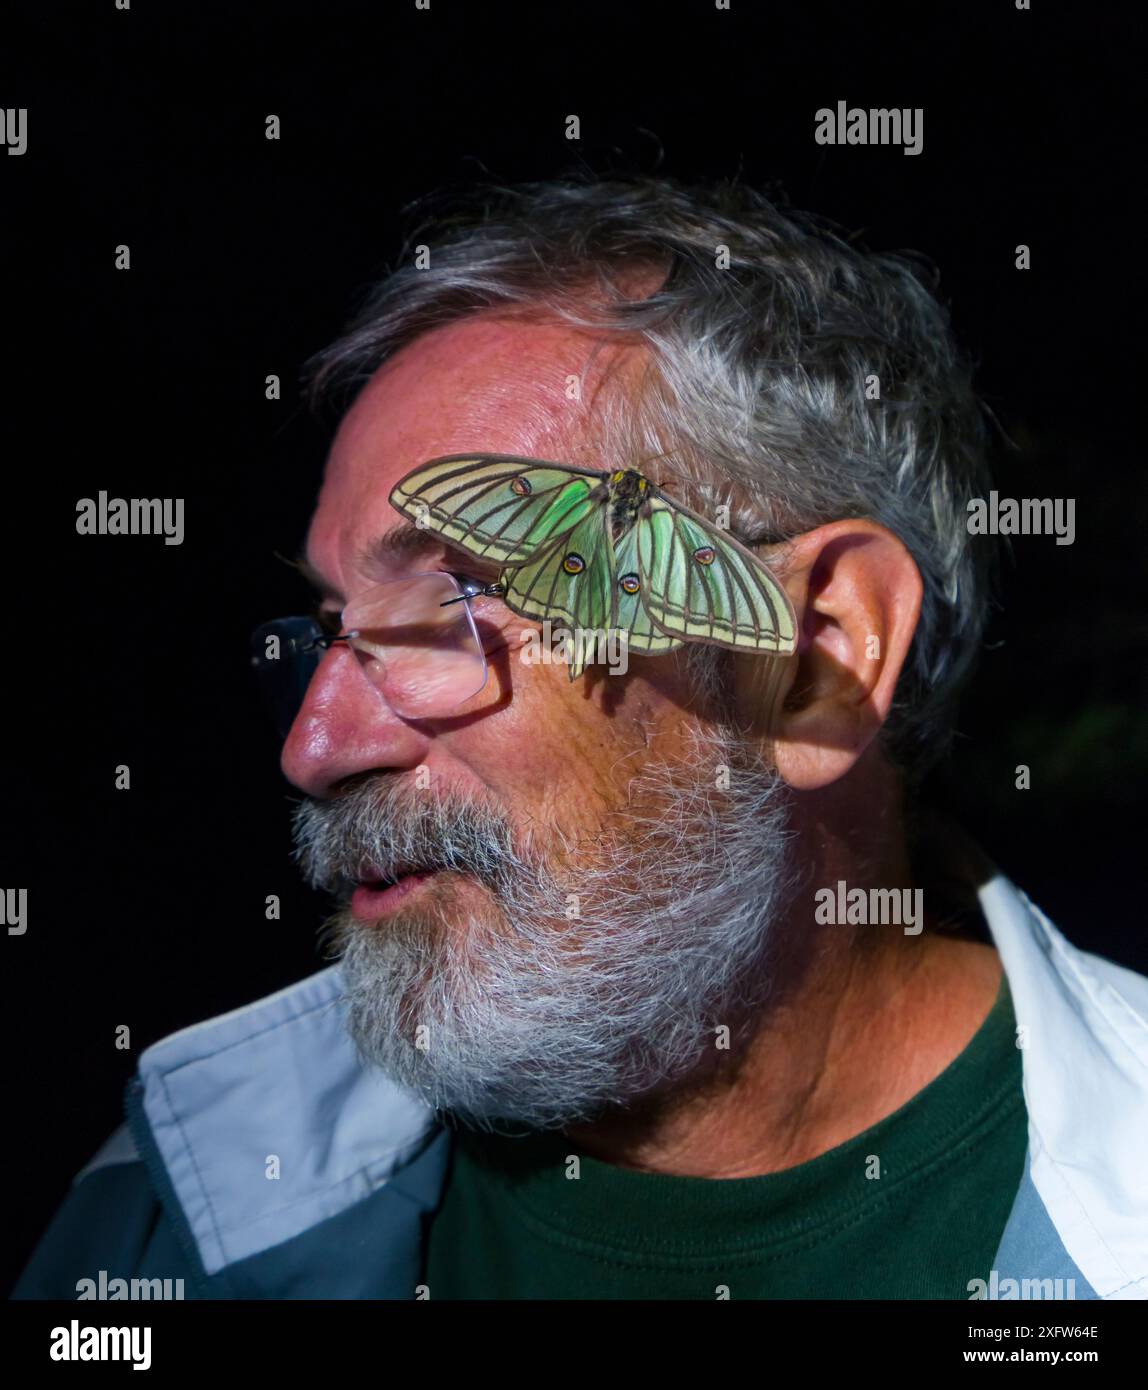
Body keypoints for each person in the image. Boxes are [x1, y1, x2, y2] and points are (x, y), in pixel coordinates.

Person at [13, 176, 1147, 1301]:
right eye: (324, 632)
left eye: (450, 603)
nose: (313, 749)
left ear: (813, 663)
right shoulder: (163, 1213)